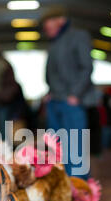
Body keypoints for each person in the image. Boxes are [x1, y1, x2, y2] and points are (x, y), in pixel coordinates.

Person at [42, 6, 95, 179]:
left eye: (48, 23)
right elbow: (53, 72)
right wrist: (50, 91)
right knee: (55, 147)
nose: (45, 28)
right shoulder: (54, 42)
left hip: (72, 101)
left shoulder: (78, 36)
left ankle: (78, 186)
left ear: (60, 20)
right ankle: (62, 184)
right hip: (55, 100)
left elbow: (86, 67)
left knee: (75, 145)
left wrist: (75, 94)